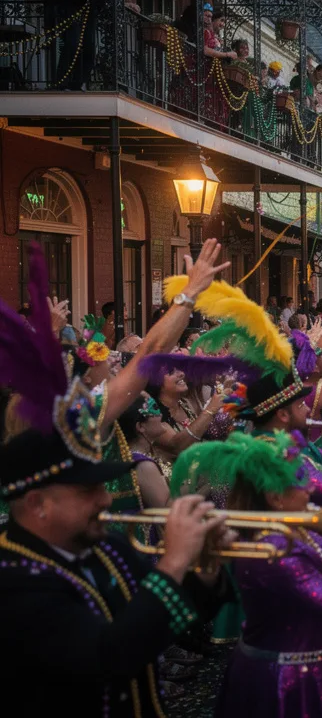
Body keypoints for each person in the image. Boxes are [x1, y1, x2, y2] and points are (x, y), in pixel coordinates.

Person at [0, 243, 232, 717]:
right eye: (88, 489)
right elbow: (107, 657)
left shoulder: (104, 547)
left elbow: (177, 615)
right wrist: (172, 563)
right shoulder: (15, 582)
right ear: (37, 502)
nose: (106, 498)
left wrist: (207, 567)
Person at [173, 432, 322, 718]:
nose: (309, 489)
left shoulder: (291, 531)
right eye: (300, 482)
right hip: (283, 680)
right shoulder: (273, 548)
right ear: (276, 498)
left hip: (307, 668)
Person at [34, 0, 99, 90]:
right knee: (72, 44)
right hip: (66, 7)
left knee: (89, 48)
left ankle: (77, 83)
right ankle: (61, 83)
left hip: (88, 9)